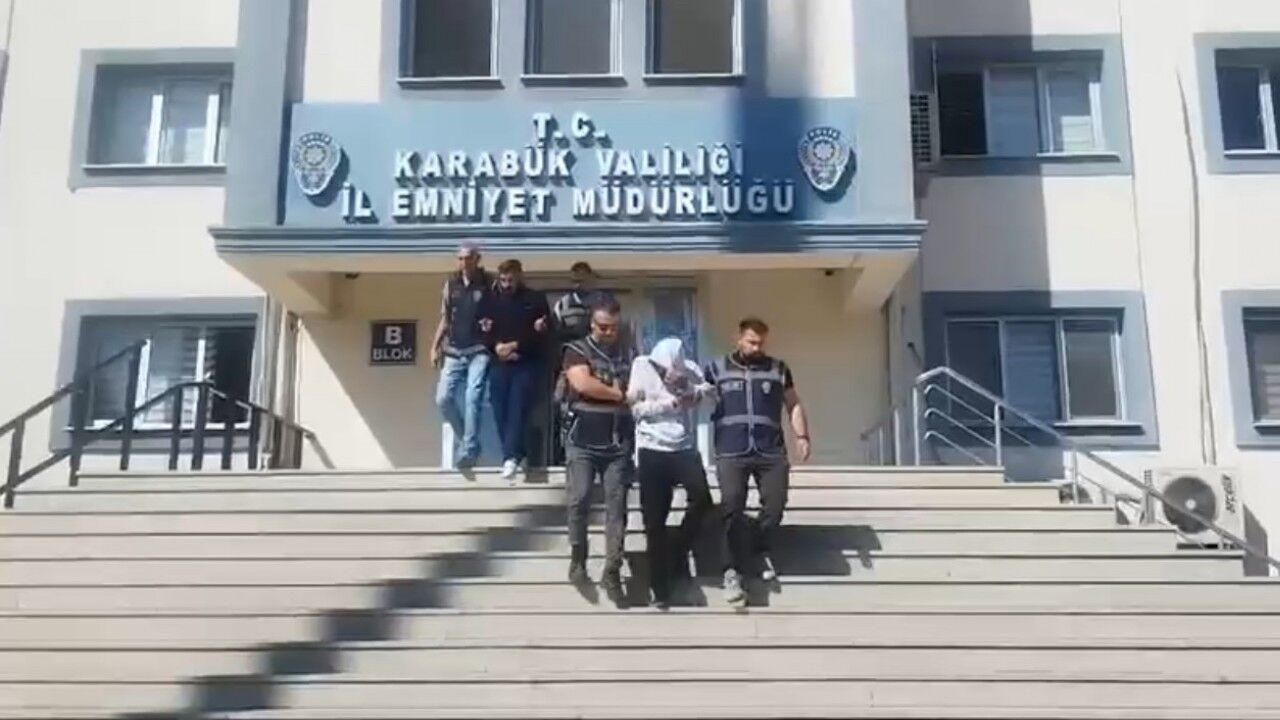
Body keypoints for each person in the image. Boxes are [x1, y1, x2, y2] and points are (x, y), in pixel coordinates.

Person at [705, 317, 811, 606]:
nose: (756, 347)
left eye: (761, 343)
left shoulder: (778, 369)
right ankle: (730, 570)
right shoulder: (716, 368)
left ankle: (757, 548)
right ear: (738, 338)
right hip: (731, 450)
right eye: (751, 342)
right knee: (731, 506)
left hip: (769, 450)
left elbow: (793, 403)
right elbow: (696, 397)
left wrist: (802, 436)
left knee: (775, 504)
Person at [627, 337, 717, 610]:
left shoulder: (689, 368)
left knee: (702, 498)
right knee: (654, 521)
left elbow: (709, 392)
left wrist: (689, 389)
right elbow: (635, 409)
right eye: (663, 367)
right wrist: (669, 405)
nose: (666, 371)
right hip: (651, 449)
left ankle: (679, 548)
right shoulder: (641, 365)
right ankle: (660, 588)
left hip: (682, 446)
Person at [562, 296, 634, 602]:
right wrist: (618, 394)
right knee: (579, 499)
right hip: (582, 441)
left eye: (613, 327)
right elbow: (583, 384)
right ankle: (578, 560)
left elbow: (641, 386)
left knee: (617, 508)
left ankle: (612, 569)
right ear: (592, 324)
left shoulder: (628, 353)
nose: (608, 332)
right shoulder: (576, 350)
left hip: (617, 443)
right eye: (603, 327)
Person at [480, 259, 550, 481]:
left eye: (510, 280)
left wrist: (515, 345)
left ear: (519, 276)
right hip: (499, 364)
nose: (506, 284)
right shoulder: (489, 301)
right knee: (499, 409)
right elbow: (481, 330)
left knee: (517, 408)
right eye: (503, 280)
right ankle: (516, 453)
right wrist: (496, 347)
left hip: (525, 363)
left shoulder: (535, 300)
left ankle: (510, 457)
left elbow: (542, 334)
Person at [430, 243, 491, 469]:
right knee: (443, 399)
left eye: (468, 258)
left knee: (472, 396)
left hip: (479, 349)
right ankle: (467, 440)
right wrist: (434, 346)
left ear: (477, 259)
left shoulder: (489, 283)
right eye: (461, 258)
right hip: (454, 350)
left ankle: (469, 448)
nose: (464, 263)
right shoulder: (451, 285)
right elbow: (445, 319)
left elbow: (498, 313)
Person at [552, 262, 603, 342]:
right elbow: (555, 332)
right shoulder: (562, 304)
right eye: (575, 281)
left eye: (582, 281)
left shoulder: (604, 302)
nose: (578, 285)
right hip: (572, 347)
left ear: (590, 278)